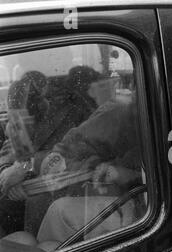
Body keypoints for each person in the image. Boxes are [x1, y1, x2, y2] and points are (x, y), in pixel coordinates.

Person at [0, 67, 101, 237]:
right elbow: (11, 154)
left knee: (26, 206)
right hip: (27, 185)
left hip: (59, 186)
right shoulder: (20, 115)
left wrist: (26, 169)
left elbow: (73, 154)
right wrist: (8, 173)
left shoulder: (77, 112)